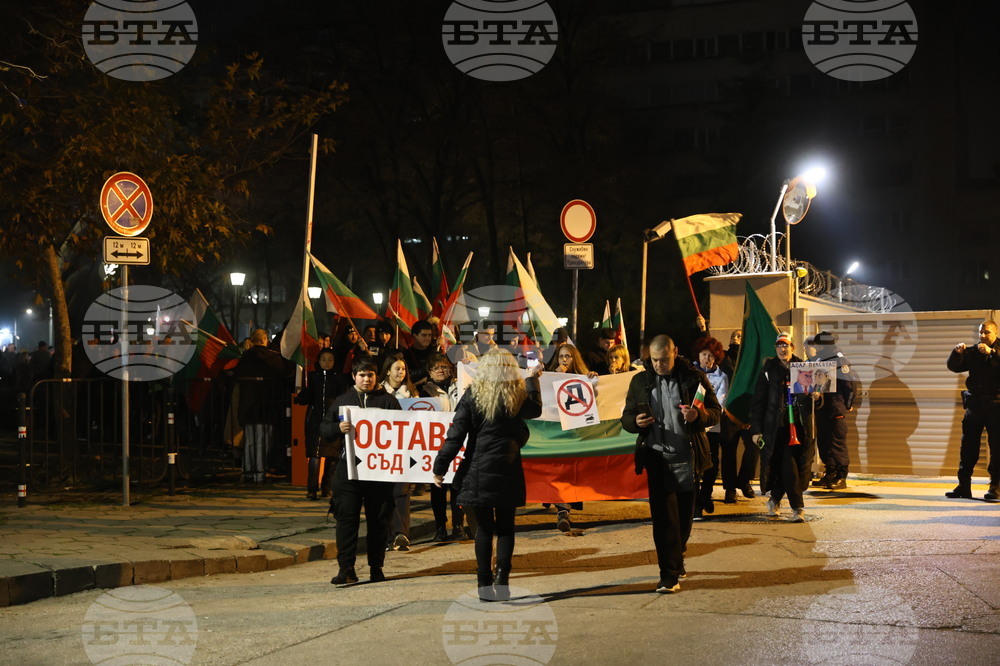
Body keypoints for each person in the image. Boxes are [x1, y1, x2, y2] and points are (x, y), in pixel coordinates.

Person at [432, 349, 543, 601]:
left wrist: (440, 466)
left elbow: (456, 434)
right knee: (505, 528)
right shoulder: (517, 395)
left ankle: (484, 584)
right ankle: (502, 580)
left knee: (483, 529)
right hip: (508, 468)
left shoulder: (473, 395)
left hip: (477, 471)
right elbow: (534, 410)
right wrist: (532, 379)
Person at [621, 334, 720, 593]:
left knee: (684, 518)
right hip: (656, 457)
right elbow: (627, 417)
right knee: (664, 520)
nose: (658, 365)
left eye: (663, 360)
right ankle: (668, 574)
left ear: (675, 352)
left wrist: (698, 415)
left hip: (688, 456)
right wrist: (635, 423)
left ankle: (678, 553)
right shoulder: (640, 381)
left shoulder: (694, 378)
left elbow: (715, 411)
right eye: (654, 360)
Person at [321, 356, 401, 585]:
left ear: (377, 377)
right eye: (362, 375)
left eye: (370, 375)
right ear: (354, 376)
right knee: (346, 520)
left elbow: (403, 432)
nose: (366, 379)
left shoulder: (388, 401)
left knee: (378, 521)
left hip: (378, 473)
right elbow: (324, 429)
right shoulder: (343, 401)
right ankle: (346, 568)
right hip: (348, 473)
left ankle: (376, 567)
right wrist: (338, 427)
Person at [750, 333, 816, 522]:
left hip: (797, 427)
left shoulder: (803, 367)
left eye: (785, 345)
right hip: (774, 428)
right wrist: (756, 430)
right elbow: (758, 402)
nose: (782, 349)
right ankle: (796, 507)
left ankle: (777, 500)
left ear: (792, 348)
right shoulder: (768, 370)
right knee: (785, 466)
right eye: (779, 345)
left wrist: (816, 397)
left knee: (790, 466)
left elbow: (810, 400)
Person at [945, 320, 1000, 500]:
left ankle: (995, 486)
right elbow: (955, 367)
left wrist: (993, 353)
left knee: (997, 447)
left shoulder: (997, 350)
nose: (983, 336)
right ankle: (963, 485)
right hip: (975, 405)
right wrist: (957, 353)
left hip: (996, 405)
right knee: (968, 446)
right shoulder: (975, 351)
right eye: (981, 332)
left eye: (987, 333)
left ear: (995, 333)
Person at [233, 329, 291, 484]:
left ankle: (247, 470)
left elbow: (236, 376)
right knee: (263, 440)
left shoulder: (245, 357)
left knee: (249, 439)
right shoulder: (274, 358)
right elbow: (285, 376)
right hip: (267, 404)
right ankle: (260, 471)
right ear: (265, 339)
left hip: (248, 404)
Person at [806, 331, 859, 490]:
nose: (816, 346)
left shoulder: (839, 360)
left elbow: (850, 384)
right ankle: (830, 473)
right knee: (824, 442)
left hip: (835, 408)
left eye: (818, 344)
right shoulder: (820, 359)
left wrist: (848, 403)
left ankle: (841, 476)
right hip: (821, 408)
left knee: (837, 443)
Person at [294, 348, 348, 500]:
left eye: (330, 359)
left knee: (332, 456)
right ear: (318, 361)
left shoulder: (340, 378)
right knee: (314, 455)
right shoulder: (312, 377)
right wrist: (302, 395)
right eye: (324, 359)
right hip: (315, 420)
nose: (327, 362)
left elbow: (344, 398)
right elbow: (307, 397)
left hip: (334, 420)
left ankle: (327, 487)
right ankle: (312, 489)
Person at [380, 354, 417, 551]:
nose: (401, 372)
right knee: (383, 494)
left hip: (405, 448)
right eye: (397, 368)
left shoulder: (412, 393)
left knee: (402, 492)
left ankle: (401, 534)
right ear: (387, 371)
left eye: (403, 369)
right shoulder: (377, 392)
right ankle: (387, 536)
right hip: (381, 450)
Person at [692, 337, 729, 520]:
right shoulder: (689, 372)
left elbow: (720, 403)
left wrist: (706, 418)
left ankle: (706, 494)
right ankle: (697, 501)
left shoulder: (721, 377)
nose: (707, 358)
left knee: (711, 464)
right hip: (691, 426)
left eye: (711, 356)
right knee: (694, 465)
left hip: (712, 426)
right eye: (704, 354)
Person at [402, 319, 437, 389]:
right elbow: (407, 376)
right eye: (424, 335)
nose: (427, 338)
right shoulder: (406, 355)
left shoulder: (435, 354)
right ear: (415, 336)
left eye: (429, 335)